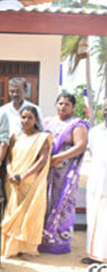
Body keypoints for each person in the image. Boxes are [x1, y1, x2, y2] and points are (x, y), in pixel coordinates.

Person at [41, 92, 90, 254]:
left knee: (63, 204)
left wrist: (59, 156)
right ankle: (43, 239)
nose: (63, 106)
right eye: (60, 103)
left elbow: (80, 146)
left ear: (73, 107)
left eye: (67, 104)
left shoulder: (77, 124)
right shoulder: (48, 122)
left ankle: (60, 242)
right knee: (46, 202)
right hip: (47, 171)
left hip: (65, 173)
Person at [2, 105, 52, 258]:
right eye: (23, 117)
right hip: (12, 181)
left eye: (30, 117)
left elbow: (42, 160)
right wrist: (11, 173)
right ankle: (11, 247)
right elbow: (9, 158)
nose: (26, 120)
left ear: (36, 119)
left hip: (30, 182)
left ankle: (27, 248)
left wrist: (23, 175)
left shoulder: (42, 137)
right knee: (12, 213)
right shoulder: (15, 137)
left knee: (30, 214)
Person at [85, 101, 107, 264]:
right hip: (97, 180)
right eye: (105, 109)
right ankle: (93, 254)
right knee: (93, 217)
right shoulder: (94, 132)